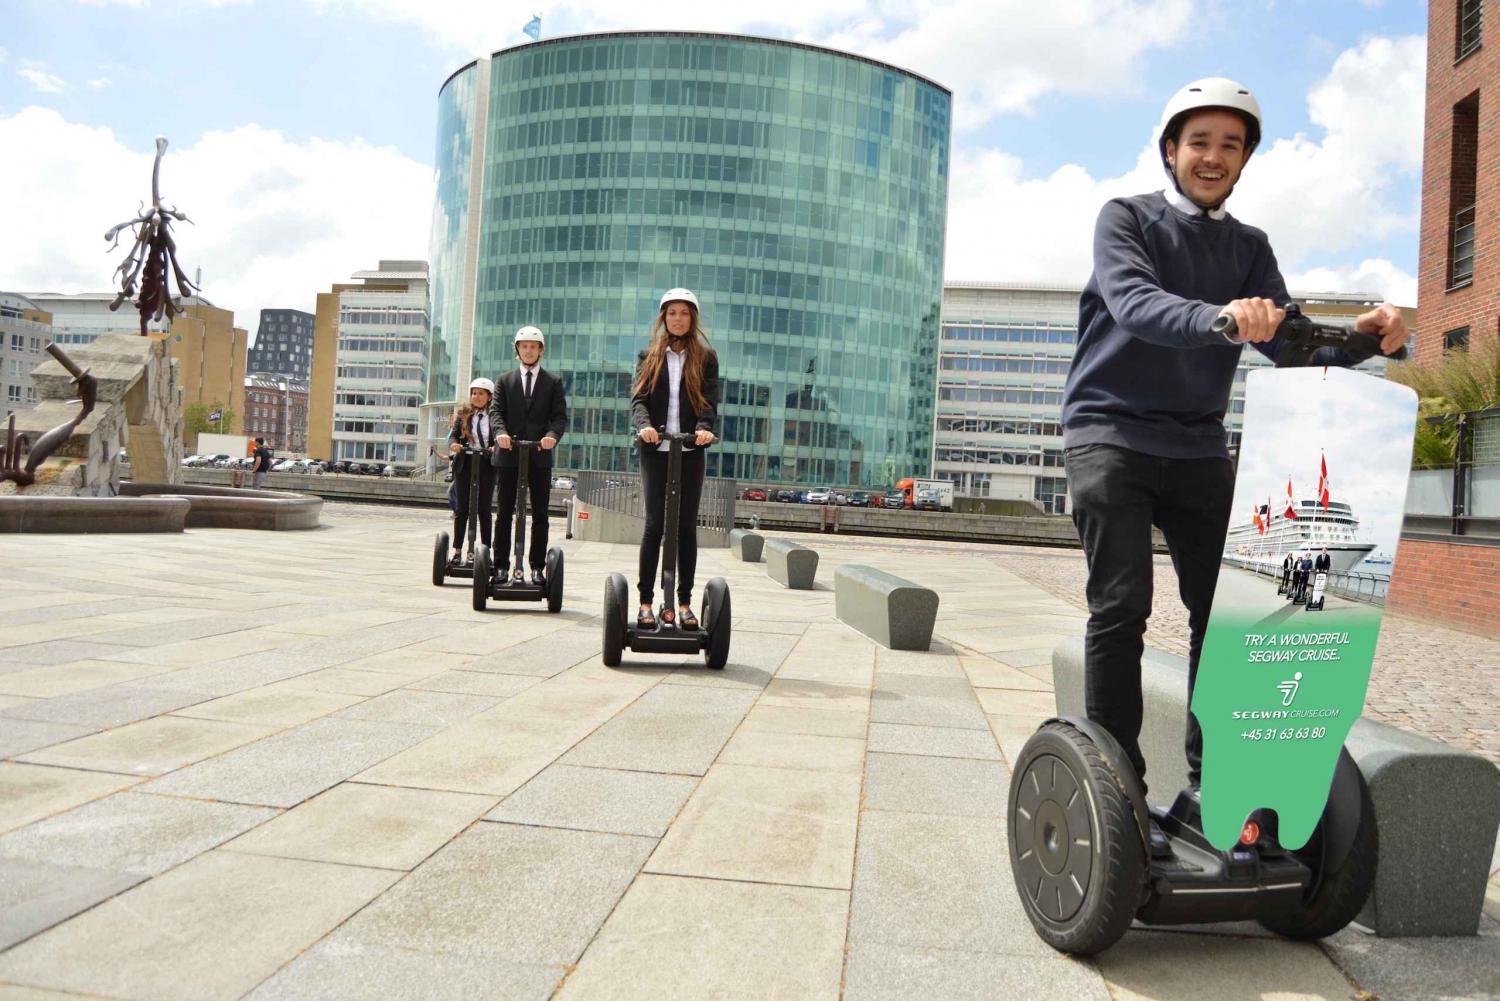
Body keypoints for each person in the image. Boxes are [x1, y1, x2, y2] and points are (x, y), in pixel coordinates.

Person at [1061, 78, 1410, 855]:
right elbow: (1135, 303)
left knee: (1232, 615)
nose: (1214, 157)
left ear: (1245, 158)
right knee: (1121, 605)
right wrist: (1222, 319)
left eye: (1231, 145)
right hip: (1107, 430)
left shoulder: (1248, 247)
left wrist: (1366, 338)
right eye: (1200, 142)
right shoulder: (1126, 219)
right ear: (1172, 149)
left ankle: (1216, 783)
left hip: (1194, 442)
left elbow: (1288, 341)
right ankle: (1116, 789)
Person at [631, 288, 719, 629]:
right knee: (654, 525)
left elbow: (708, 401)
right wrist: (645, 427)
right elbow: (638, 400)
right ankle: (645, 602)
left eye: (683, 313)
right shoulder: (648, 356)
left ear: (692, 318)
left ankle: (683, 603)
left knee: (685, 528)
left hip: (689, 450)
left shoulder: (706, 358)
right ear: (664, 318)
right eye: (672, 313)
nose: (677, 318)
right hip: (655, 449)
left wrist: (704, 428)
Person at [489, 326, 568, 583]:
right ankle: (500, 565)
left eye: (533, 346)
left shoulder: (553, 382)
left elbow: (559, 417)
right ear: (517, 350)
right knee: (504, 512)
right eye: (524, 346)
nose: (529, 350)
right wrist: (500, 433)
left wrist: (552, 437)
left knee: (541, 514)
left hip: (539, 454)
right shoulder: (504, 380)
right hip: (509, 453)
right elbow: (496, 413)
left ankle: (536, 566)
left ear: (541, 350)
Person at [447, 378, 498, 563]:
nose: (476, 397)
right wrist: (454, 445)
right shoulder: (464, 413)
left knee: (484, 510)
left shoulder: (495, 415)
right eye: (474, 393)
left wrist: (495, 447)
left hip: (486, 464)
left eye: (480, 393)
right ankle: (458, 551)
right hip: (465, 463)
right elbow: (453, 436)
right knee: (462, 509)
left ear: (489, 397)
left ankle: (485, 552)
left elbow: (499, 437)